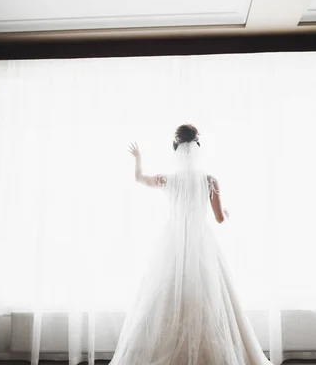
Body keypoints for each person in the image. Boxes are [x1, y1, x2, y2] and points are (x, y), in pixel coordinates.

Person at [109, 124, 272, 365]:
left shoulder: (169, 180)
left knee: (164, 295)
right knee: (210, 296)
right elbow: (218, 218)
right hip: (202, 243)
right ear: (197, 149)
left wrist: (138, 158)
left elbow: (139, 178)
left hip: (172, 242)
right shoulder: (209, 181)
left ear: (176, 149)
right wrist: (225, 211)